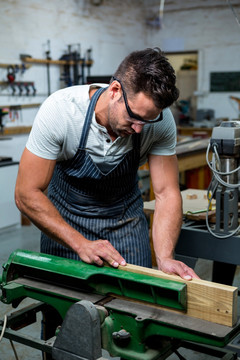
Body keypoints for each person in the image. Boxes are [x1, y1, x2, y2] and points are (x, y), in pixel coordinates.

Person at [15, 47, 199, 281]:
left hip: (125, 225)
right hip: (66, 226)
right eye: (134, 117)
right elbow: (25, 193)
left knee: (133, 308)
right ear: (114, 90)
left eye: (148, 120)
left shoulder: (159, 123)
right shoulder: (61, 112)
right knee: (65, 311)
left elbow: (166, 193)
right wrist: (80, 244)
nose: (139, 129)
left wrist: (165, 258)